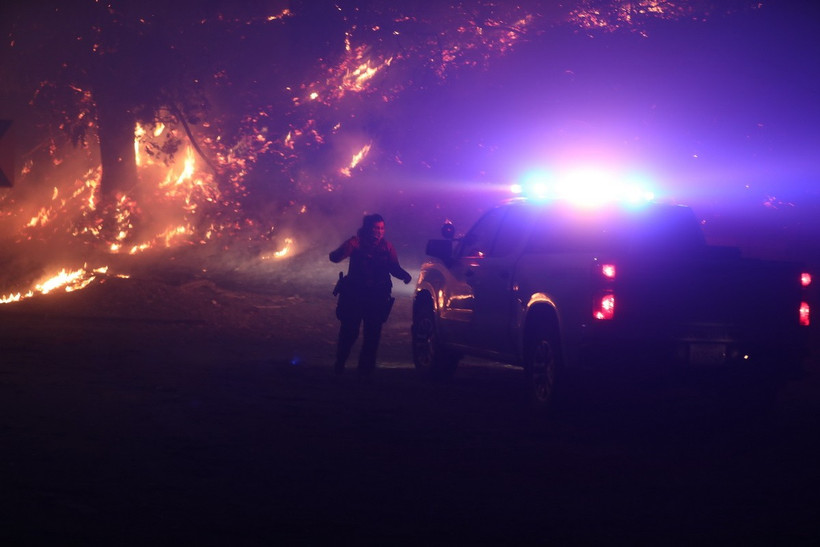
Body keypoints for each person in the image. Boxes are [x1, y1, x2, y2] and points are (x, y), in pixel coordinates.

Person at [329, 213, 412, 376]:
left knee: (372, 335)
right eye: (376, 228)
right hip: (355, 295)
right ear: (367, 228)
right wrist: (349, 246)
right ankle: (339, 365)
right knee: (349, 332)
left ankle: (365, 372)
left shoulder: (387, 247)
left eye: (382, 228)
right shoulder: (356, 243)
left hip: (377, 296)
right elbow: (335, 257)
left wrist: (404, 276)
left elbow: (393, 267)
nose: (379, 231)